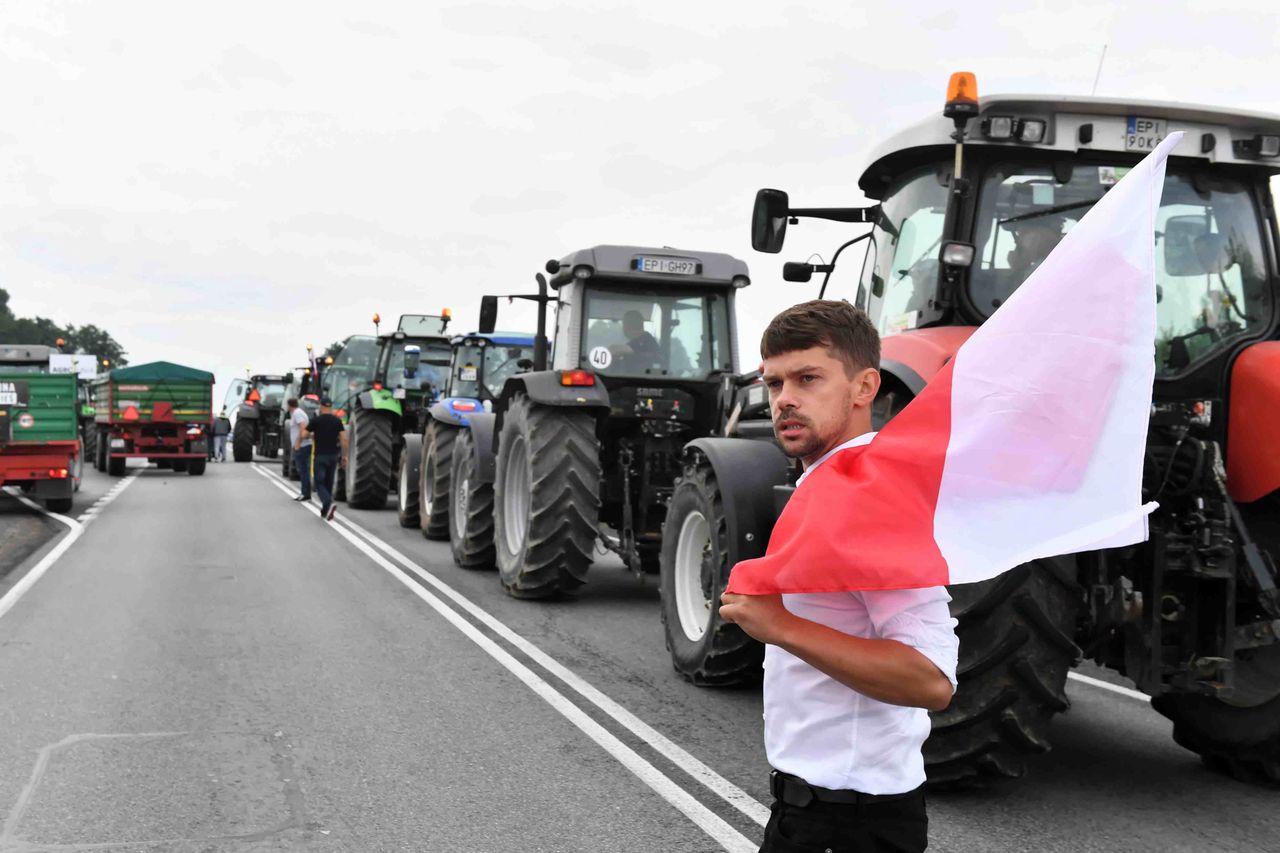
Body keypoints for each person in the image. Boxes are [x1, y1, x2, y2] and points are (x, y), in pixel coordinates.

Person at [719, 299, 958, 853]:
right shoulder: (831, 484)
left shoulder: (867, 496)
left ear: (864, 386)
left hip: (849, 823)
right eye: (774, 382)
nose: (785, 400)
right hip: (821, 814)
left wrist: (778, 626)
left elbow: (930, 680)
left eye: (808, 378)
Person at [300, 397, 347, 521]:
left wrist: (312, 434)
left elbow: (303, 435)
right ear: (330, 407)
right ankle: (325, 510)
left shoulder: (316, 420)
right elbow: (344, 439)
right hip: (333, 457)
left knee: (319, 482)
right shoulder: (337, 421)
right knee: (328, 483)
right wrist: (344, 456)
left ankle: (328, 502)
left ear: (321, 407)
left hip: (320, 456)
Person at [286, 397, 313, 502]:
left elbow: (303, 427)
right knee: (303, 469)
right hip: (303, 445)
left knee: (303, 470)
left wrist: (298, 443)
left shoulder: (297, 413)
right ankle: (305, 492)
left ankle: (305, 493)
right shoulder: (299, 412)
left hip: (302, 446)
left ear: (289, 405)